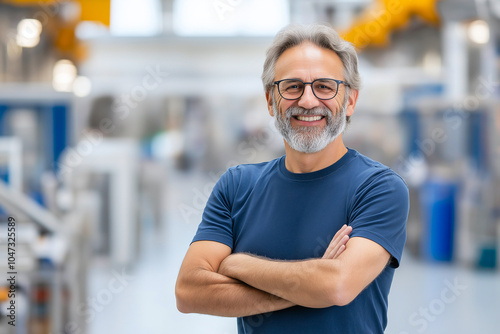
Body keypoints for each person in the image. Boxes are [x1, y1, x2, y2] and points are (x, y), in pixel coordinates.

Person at [175, 24, 409, 334]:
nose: (308, 101)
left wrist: (238, 264)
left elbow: (336, 286)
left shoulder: (379, 189)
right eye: (292, 86)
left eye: (324, 86)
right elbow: (189, 292)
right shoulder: (237, 186)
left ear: (350, 100)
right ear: (271, 100)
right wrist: (309, 287)